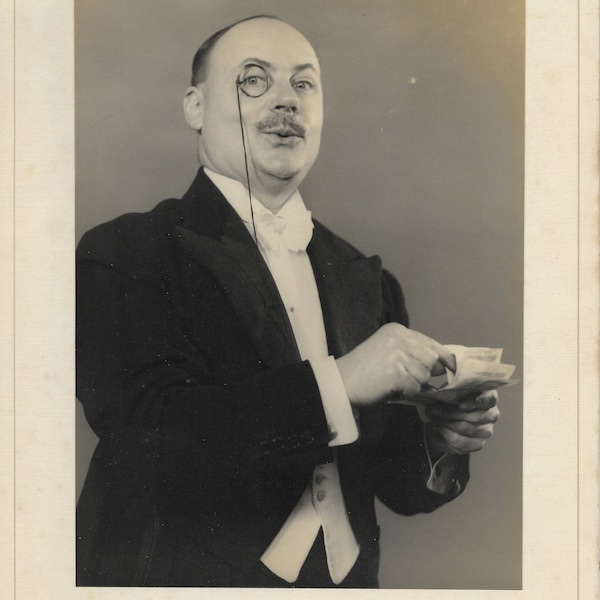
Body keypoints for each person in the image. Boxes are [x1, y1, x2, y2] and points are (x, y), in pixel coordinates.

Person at [76, 15, 500, 588]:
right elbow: (151, 438)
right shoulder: (125, 252)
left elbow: (396, 486)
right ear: (195, 107)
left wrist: (437, 443)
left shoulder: (365, 278)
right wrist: (341, 382)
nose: (286, 101)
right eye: (254, 79)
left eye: (304, 84)